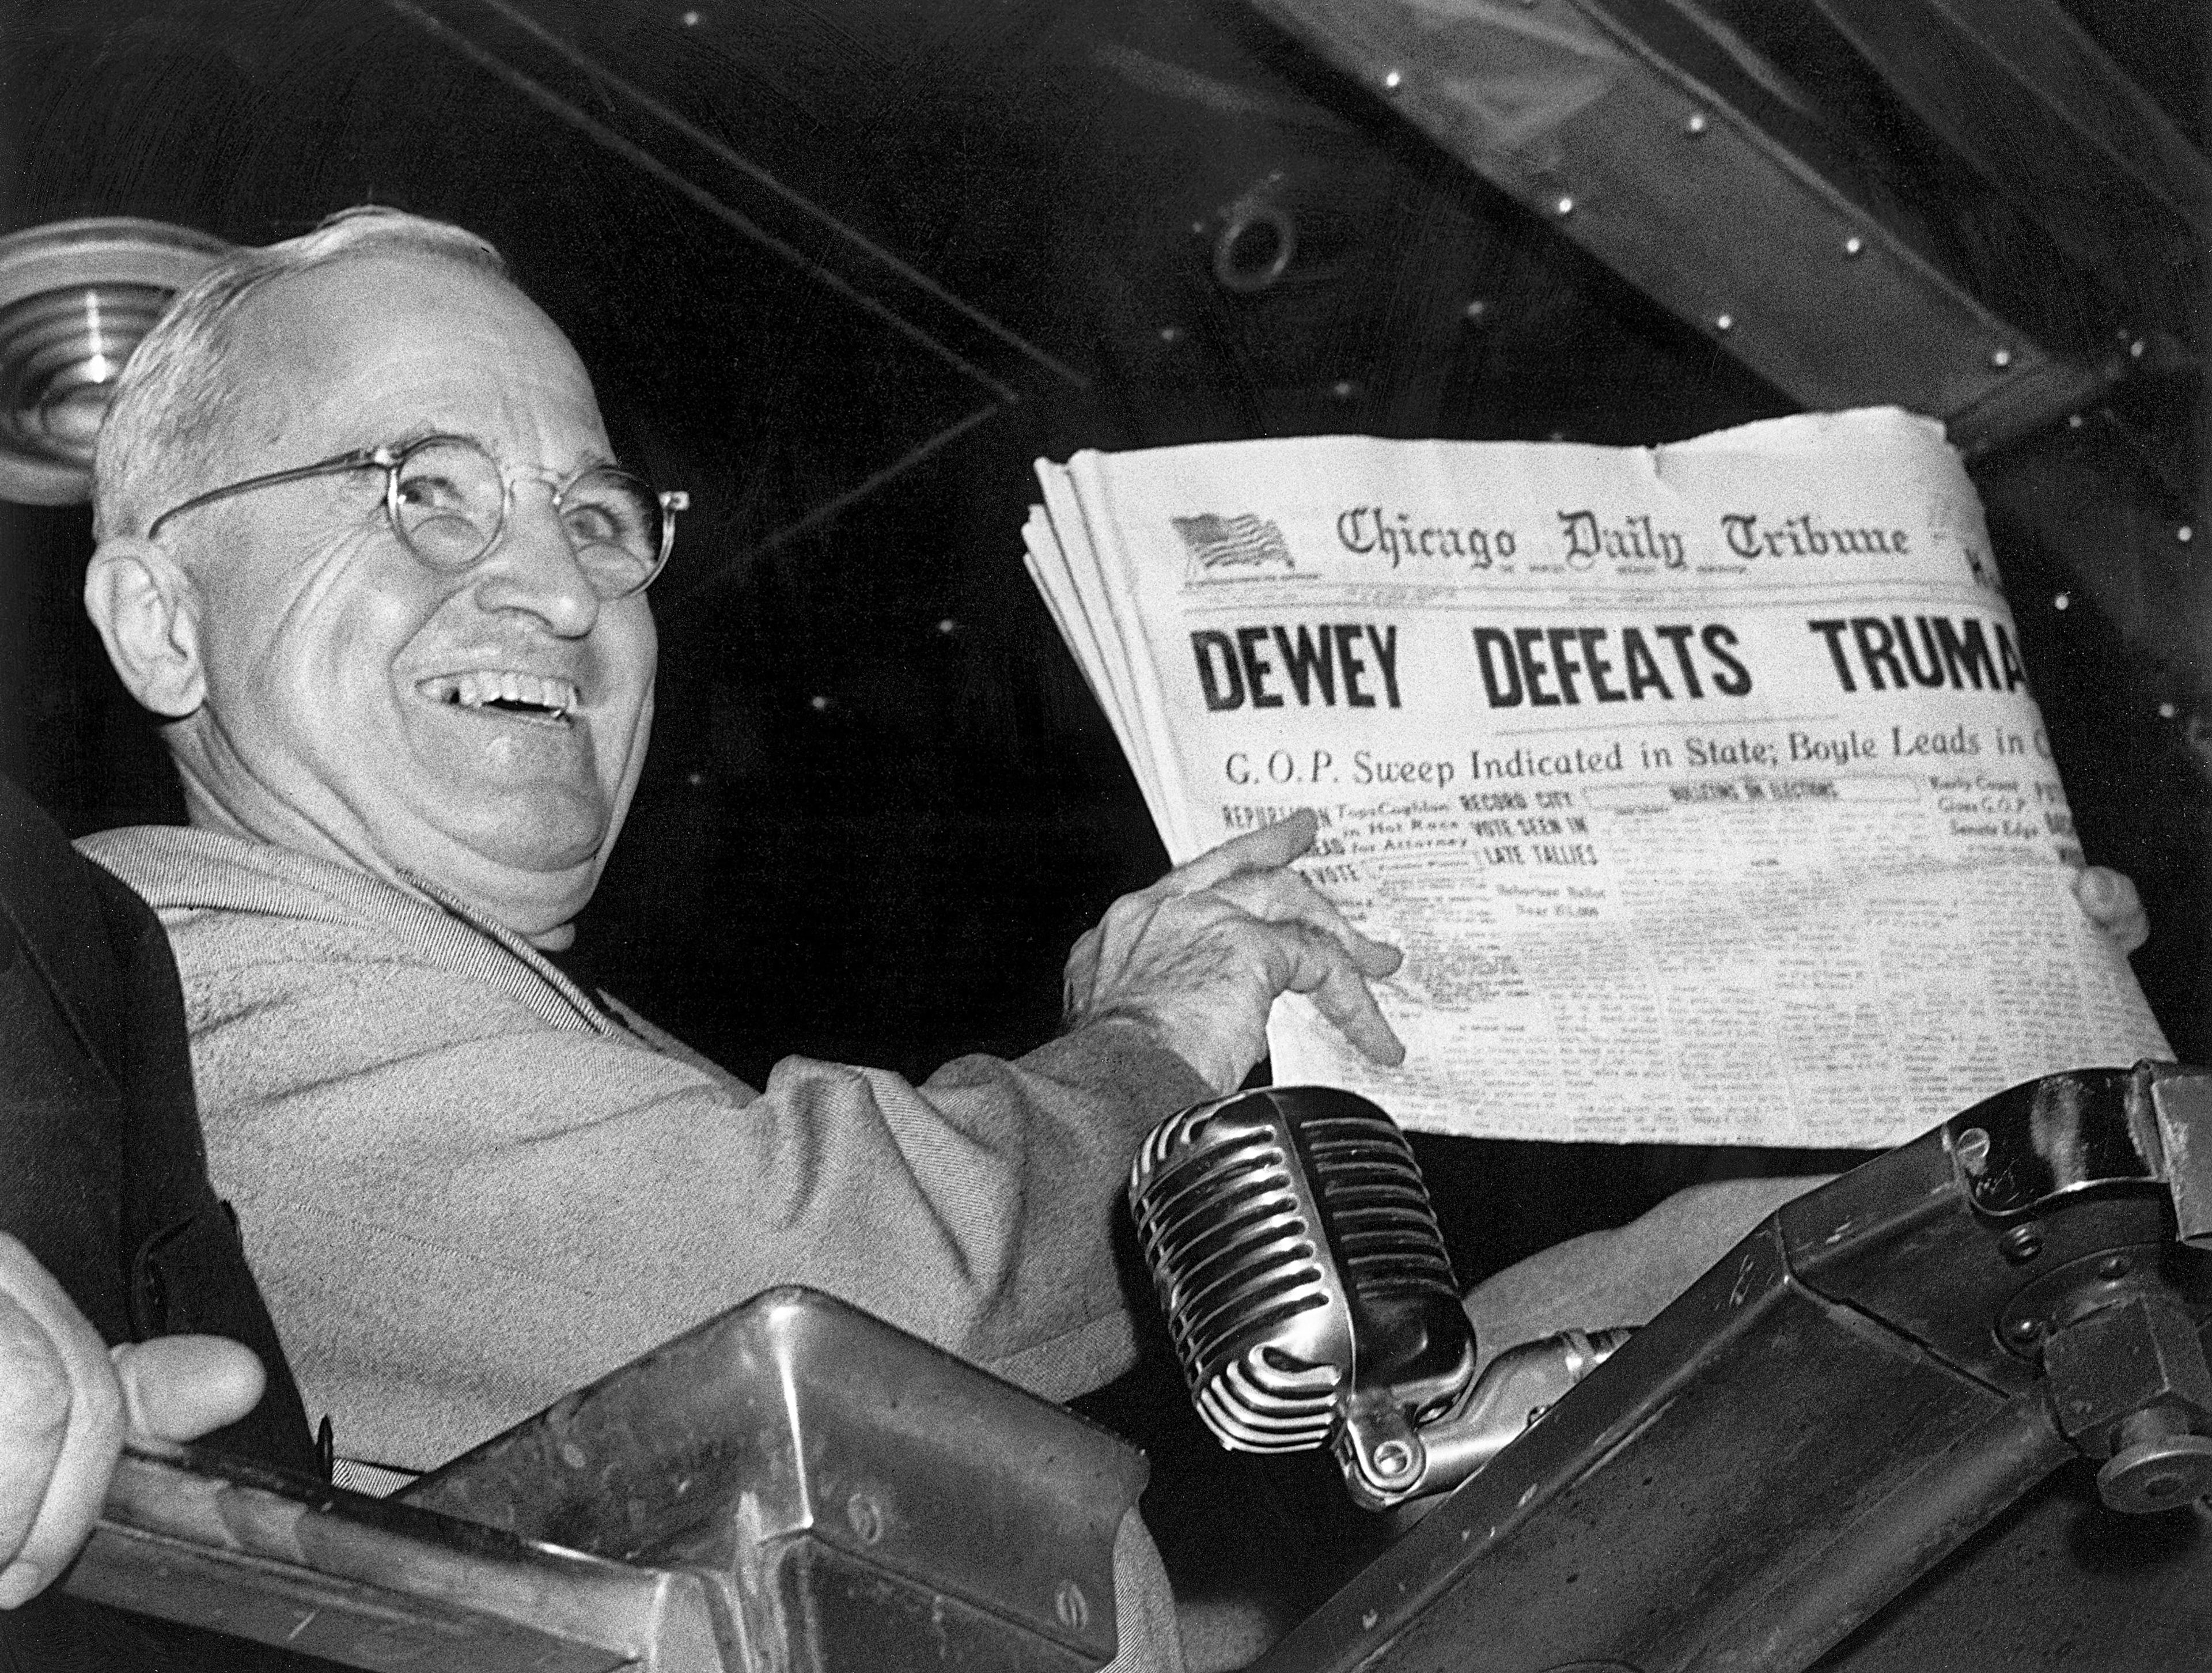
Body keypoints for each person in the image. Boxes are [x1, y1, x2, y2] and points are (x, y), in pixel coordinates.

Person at [1, 205, 2152, 1644]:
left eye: (592, 513)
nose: (556, 584)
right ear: (159, 618)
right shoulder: (145, 981)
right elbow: (823, 1277)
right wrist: (1155, 1044)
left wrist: (1955, 1069)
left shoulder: (529, 1034)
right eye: (418, 489)